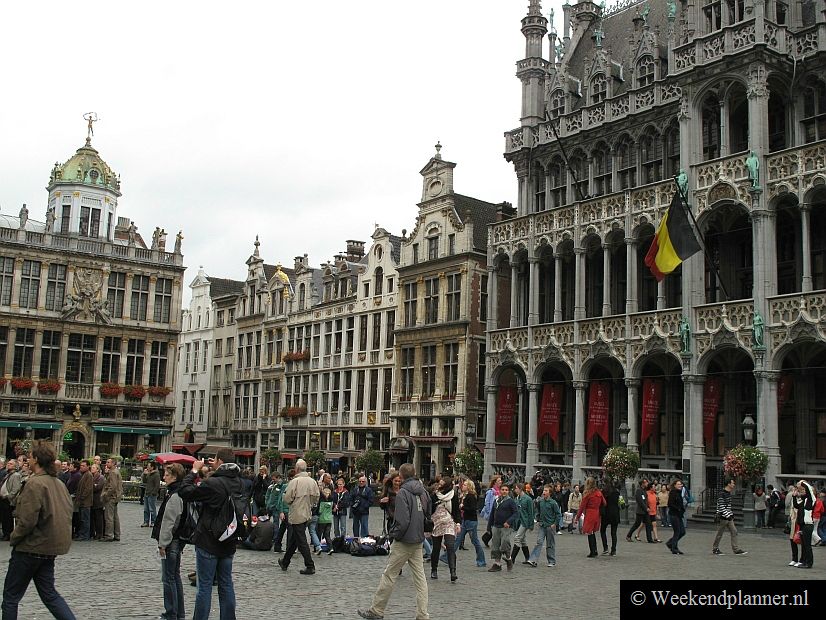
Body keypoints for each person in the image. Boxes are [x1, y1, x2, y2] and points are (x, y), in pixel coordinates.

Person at [1, 440, 76, 620]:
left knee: (11, 597)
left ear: (36, 459)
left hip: (30, 548)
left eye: (30, 456)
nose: (28, 459)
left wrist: (14, 536)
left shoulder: (35, 484)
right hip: (48, 549)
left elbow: (27, 520)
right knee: (49, 594)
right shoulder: (58, 484)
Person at [357, 463, 430, 620]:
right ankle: (422, 614)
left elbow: (402, 520)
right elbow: (428, 512)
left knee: (389, 575)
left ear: (402, 476)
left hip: (404, 540)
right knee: (420, 579)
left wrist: (392, 534)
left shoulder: (403, 492)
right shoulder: (423, 491)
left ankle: (377, 610)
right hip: (417, 539)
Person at [178, 447, 244, 620]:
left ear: (220, 462)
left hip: (209, 539)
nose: (212, 463)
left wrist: (194, 470)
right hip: (229, 539)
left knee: (205, 586)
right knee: (226, 584)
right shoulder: (240, 483)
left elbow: (185, 492)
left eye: (214, 460)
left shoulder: (213, 483)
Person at [153, 463, 188, 620]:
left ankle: (171, 613)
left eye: (166, 475)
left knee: (169, 579)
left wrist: (163, 543)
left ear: (174, 477)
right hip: (177, 541)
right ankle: (179, 612)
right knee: (175, 576)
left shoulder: (175, 495)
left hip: (171, 541)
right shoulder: (180, 492)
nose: (164, 477)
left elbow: (169, 522)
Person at [277, 458, 319, 575]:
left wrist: (292, 502)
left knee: (301, 540)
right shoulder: (312, 481)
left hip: (297, 513)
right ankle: (285, 562)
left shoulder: (294, 482)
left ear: (296, 469)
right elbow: (316, 497)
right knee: (295, 539)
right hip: (307, 512)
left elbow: (287, 498)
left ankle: (310, 565)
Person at [429, 477, 460, 582]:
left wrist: (458, 523)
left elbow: (456, 511)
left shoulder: (453, 495)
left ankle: (453, 572)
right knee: (436, 548)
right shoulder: (434, 495)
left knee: (450, 545)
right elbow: (430, 509)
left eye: (442, 483)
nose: (439, 484)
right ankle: (434, 570)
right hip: (436, 522)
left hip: (448, 522)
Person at [452, 480, 486, 567]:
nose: (462, 486)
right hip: (465, 520)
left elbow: (473, 509)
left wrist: (463, 507)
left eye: (465, 485)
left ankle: (481, 560)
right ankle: (447, 557)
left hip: (471, 521)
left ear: (469, 486)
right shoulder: (464, 496)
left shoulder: (471, 496)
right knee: (458, 539)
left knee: (475, 541)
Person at [712, 478, 747, 556]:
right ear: (728, 484)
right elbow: (721, 506)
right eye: (732, 483)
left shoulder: (728, 493)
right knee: (719, 533)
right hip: (723, 517)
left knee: (734, 531)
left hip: (728, 516)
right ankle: (715, 548)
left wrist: (730, 514)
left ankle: (736, 549)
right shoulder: (722, 494)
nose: (734, 484)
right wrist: (728, 515)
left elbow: (728, 506)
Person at [487, 484, 518, 572]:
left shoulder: (510, 501)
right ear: (500, 490)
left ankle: (508, 558)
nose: (504, 491)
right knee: (495, 545)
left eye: (506, 490)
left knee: (505, 542)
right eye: (503, 489)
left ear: (508, 491)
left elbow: (516, 513)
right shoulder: (496, 500)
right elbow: (492, 514)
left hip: (506, 527)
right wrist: (489, 526)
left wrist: (508, 521)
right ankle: (497, 564)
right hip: (496, 526)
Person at [528, 484, 561, 567]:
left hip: (550, 526)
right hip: (542, 525)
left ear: (550, 493)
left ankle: (551, 561)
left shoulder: (553, 503)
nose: (544, 492)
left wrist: (555, 524)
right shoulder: (541, 502)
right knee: (539, 542)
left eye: (546, 491)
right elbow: (538, 511)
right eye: (544, 490)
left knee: (550, 544)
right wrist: (538, 519)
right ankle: (533, 560)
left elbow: (558, 514)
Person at [575, 477, 605, 558]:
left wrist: (577, 517)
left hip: (590, 513)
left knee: (589, 532)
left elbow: (582, 506)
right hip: (597, 513)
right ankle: (594, 550)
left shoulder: (587, 494)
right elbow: (604, 503)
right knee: (592, 532)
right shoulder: (599, 493)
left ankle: (593, 551)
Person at [792, 480, 816, 569]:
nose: (803, 492)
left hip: (808, 525)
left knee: (807, 545)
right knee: (804, 545)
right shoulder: (804, 501)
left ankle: (809, 563)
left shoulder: (811, 500)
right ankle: (805, 561)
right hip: (802, 525)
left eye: (803, 490)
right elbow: (796, 506)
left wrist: (802, 483)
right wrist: (794, 496)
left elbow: (809, 490)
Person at [510, 482, 535, 565]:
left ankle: (512, 558)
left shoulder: (528, 499)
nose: (514, 490)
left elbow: (531, 512)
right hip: (519, 521)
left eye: (516, 488)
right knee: (523, 540)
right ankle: (528, 558)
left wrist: (531, 525)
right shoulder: (517, 498)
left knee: (517, 538)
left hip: (525, 522)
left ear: (520, 489)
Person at [101, 458, 123, 542]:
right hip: (116, 496)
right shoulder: (116, 472)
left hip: (111, 497)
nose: (106, 463)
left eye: (108, 462)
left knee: (109, 516)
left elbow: (112, 486)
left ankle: (109, 535)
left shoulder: (113, 472)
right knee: (115, 516)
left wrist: (106, 495)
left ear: (113, 463)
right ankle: (117, 534)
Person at [0, 460, 21, 541]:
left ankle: (8, 534)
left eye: (11, 464)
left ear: (15, 466)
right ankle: (6, 533)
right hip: (3, 499)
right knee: (4, 517)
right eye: (8, 463)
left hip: (8, 500)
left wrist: (8, 497)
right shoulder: (8, 474)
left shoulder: (15, 475)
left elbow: (16, 489)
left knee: (7, 518)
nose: (8, 465)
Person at [626, 479, 653, 543]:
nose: (647, 484)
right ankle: (628, 535)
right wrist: (646, 508)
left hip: (645, 511)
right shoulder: (639, 491)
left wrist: (648, 507)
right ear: (642, 484)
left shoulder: (644, 490)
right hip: (640, 511)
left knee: (648, 524)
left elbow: (645, 501)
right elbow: (640, 501)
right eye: (646, 482)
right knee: (637, 524)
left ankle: (650, 539)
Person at [73, 460, 93, 541]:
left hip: (85, 502)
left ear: (88, 466)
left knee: (85, 519)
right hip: (82, 501)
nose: (81, 467)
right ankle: (82, 534)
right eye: (81, 465)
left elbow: (87, 489)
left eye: (83, 466)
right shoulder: (83, 474)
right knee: (82, 519)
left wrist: (82, 497)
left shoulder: (88, 475)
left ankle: (85, 535)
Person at [600, 479, 621, 556]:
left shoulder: (604, 492)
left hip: (606, 513)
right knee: (614, 533)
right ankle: (613, 550)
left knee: (602, 530)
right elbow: (621, 503)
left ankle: (605, 548)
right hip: (615, 513)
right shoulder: (617, 492)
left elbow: (601, 502)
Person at [666, 479, 686, 555]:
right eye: (678, 484)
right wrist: (678, 508)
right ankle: (674, 548)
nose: (680, 485)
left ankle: (670, 543)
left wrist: (681, 509)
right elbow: (670, 504)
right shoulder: (673, 493)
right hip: (673, 514)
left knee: (682, 532)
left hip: (679, 515)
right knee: (677, 531)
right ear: (674, 485)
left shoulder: (679, 493)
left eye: (681, 484)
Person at [143, 461, 161, 527]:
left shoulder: (156, 474)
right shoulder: (149, 474)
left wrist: (154, 493)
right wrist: (144, 474)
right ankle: (146, 521)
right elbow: (144, 481)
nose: (147, 467)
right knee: (146, 509)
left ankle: (153, 521)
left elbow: (157, 485)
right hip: (147, 493)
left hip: (152, 494)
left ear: (152, 467)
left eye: (148, 466)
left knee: (152, 509)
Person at [89, 464, 105, 540]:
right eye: (91, 467)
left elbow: (98, 487)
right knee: (93, 518)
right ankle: (93, 533)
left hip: (98, 500)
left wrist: (93, 485)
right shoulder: (90, 476)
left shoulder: (101, 477)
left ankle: (99, 533)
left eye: (94, 467)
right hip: (92, 500)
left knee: (99, 518)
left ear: (98, 469)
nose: (92, 469)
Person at [317, 487, 333, 553]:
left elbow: (320, 511)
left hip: (322, 520)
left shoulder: (322, 503)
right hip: (329, 520)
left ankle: (318, 547)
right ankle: (331, 548)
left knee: (319, 534)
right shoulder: (331, 503)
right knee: (327, 535)